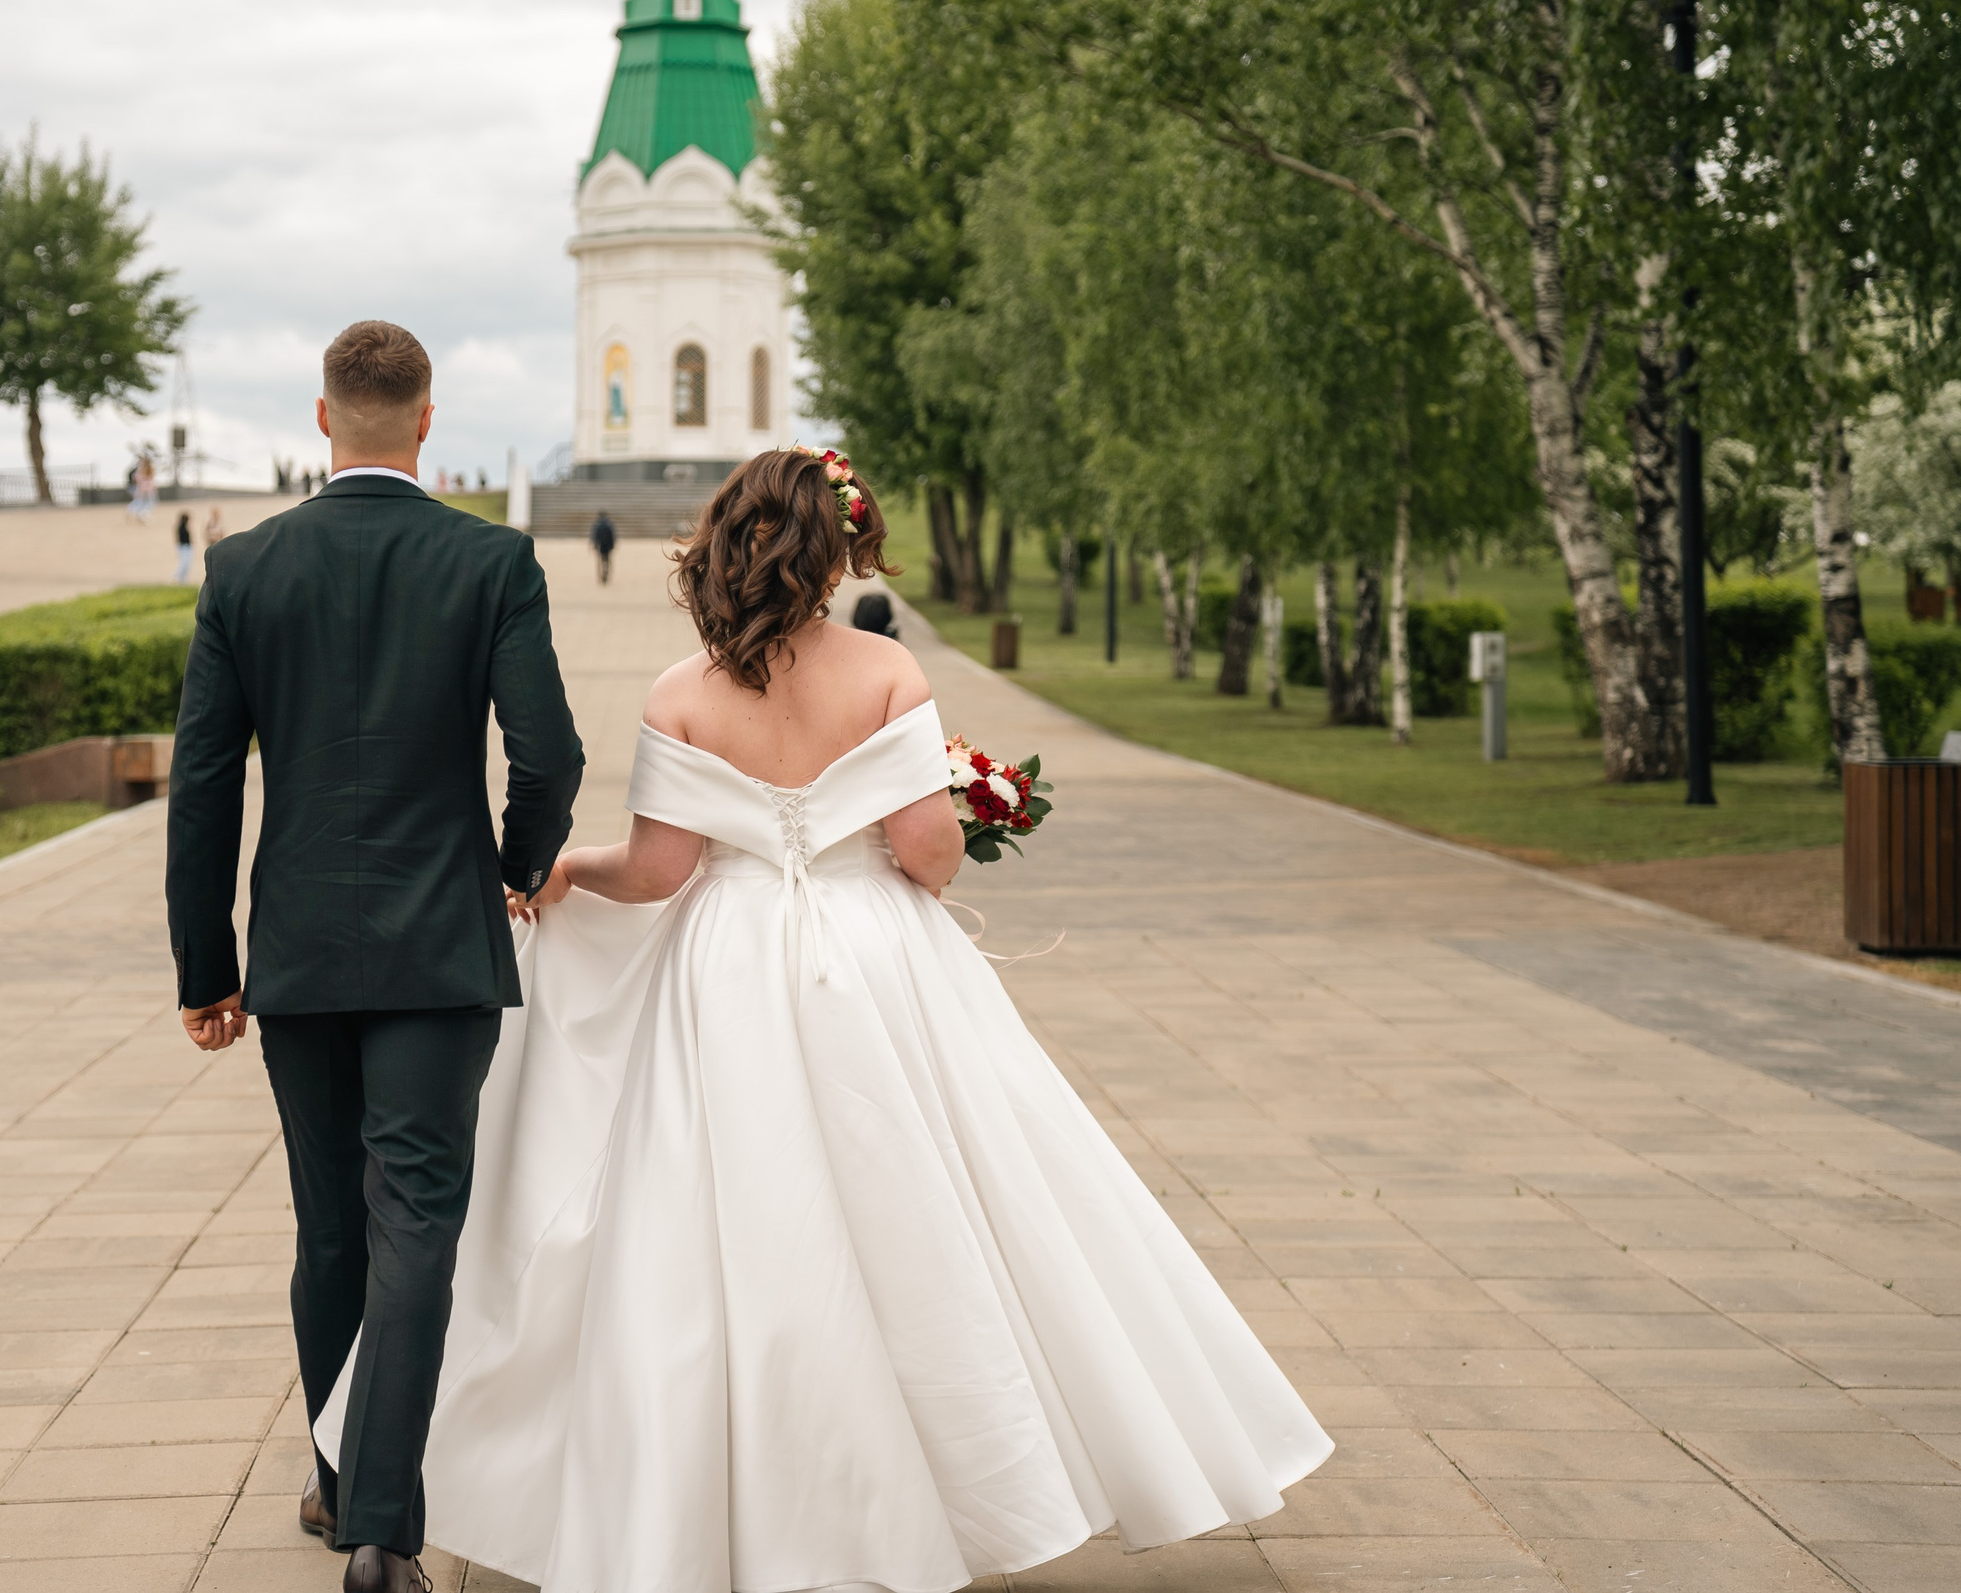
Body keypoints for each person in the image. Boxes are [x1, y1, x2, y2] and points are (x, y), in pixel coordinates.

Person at [310, 447, 1331, 1593]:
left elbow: (657, 870)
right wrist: (928, 850)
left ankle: (698, 1505)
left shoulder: (682, 690)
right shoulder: (886, 669)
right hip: (873, 959)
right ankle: (928, 1487)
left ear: (726, 546)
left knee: (713, 1219)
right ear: (836, 549)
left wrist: (564, 869)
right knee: (937, 1207)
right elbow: (928, 851)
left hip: (721, 968)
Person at [165, 320, 584, 1593]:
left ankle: (344, 1475)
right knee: (416, 1220)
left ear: (320, 416)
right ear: (425, 420)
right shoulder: (491, 559)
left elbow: (200, 785)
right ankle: (383, 1533)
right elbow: (549, 754)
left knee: (328, 1222)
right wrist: (515, 870)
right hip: (440, 945)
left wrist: (205, 965)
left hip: (296, 950)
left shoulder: (243, 567)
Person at [587, 508, 616, 585]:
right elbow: (612, 536)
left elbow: (594, 536)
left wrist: (594, 545)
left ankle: (600, 575)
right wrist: (612, 545)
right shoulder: (609, 524)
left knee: (600, 561)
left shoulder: (597, 525)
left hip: (600, 545)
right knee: (607, 560)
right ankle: (606, 572)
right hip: (607, 545)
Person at [173, 510, 193, 582]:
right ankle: (176, 576)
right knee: (184, 564)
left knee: (187, 564)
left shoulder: (184, 527)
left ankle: (184, 580)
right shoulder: (181, 528)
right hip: (183, 547)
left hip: (186, 547)